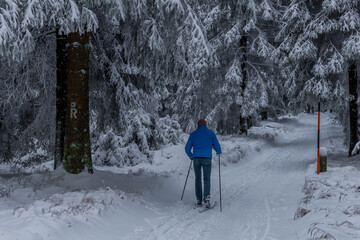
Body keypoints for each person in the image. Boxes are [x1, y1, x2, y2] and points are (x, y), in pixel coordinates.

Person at [185, 119, 221, 208]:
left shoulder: (193, 134)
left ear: (198, 125)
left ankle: (198, 200)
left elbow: (187, 148)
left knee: (197, 179)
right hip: (206, 158)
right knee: (206, 179)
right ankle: (207, 199)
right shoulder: (210, 133)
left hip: (196, 158)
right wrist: (218, 151)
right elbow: (216, 145)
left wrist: (191, 155)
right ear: (205, 125)